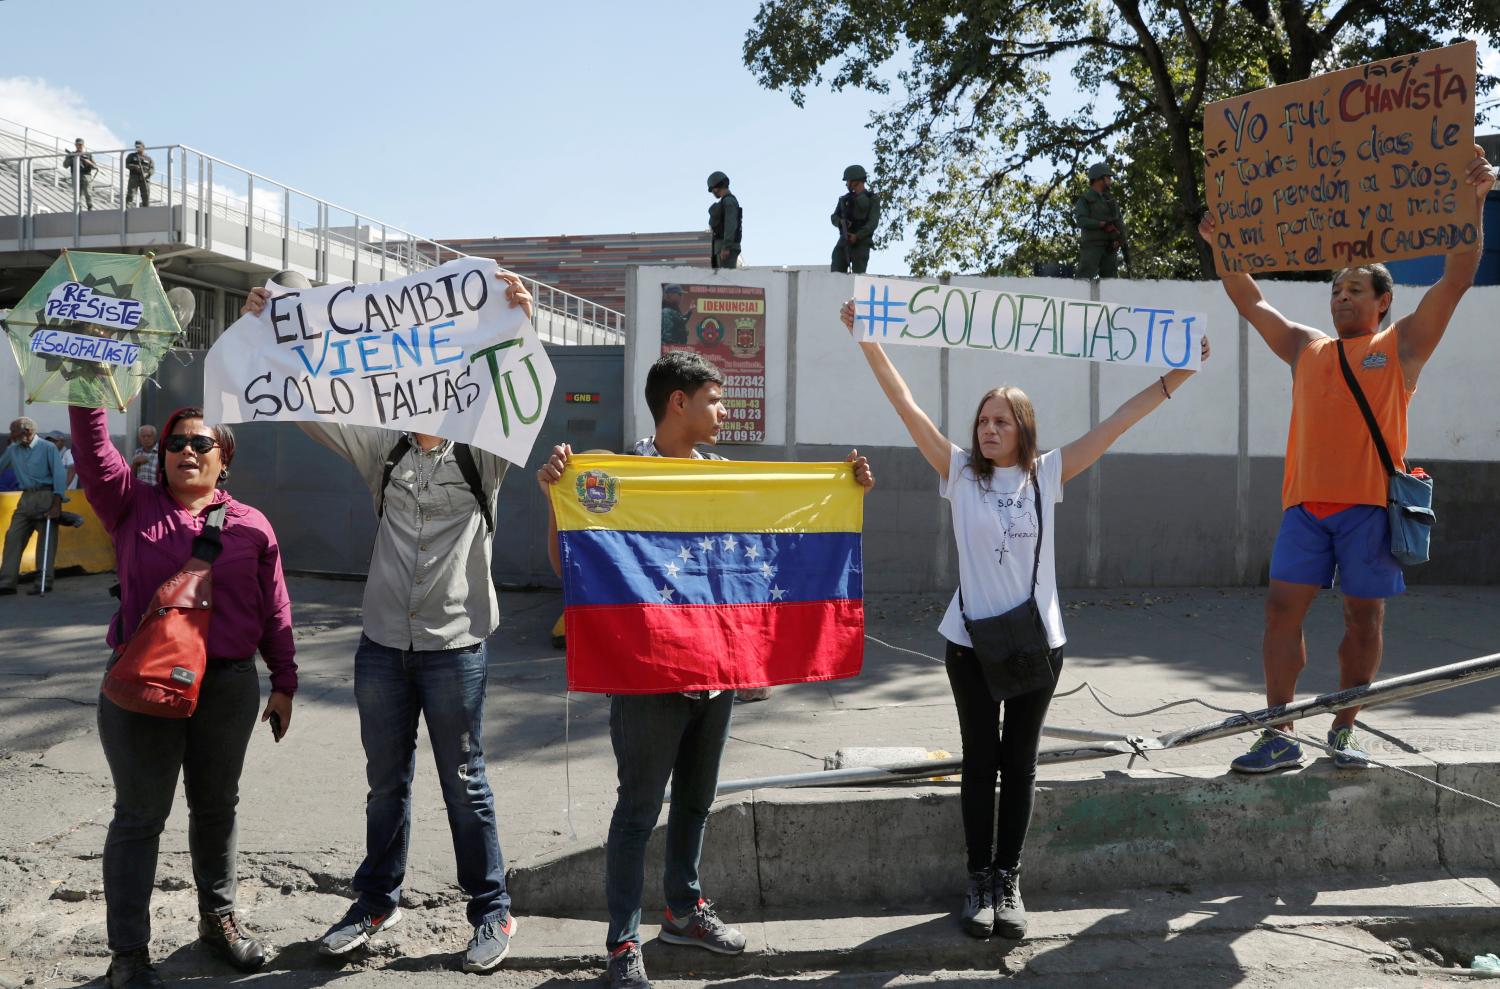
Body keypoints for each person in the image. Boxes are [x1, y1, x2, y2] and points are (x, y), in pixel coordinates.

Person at [841, 297, 1207, 940]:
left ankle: (1009, 879)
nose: (988, 429)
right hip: (971, 644)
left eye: (1001, 421)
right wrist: (868, 338)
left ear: (1023, 429)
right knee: (980, 762)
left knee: (1022, 763)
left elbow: (1120, 420)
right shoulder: (958, 472)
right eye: (983, 420)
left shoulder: (1049, 473)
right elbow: (908, 407)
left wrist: (1178, 375)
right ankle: (978, 880)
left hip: (1038, 644)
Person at [536, 351, 874, 989]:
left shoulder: (722, 475)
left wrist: (842, 486)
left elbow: (779, 527)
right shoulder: (620, 476)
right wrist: (556, 496)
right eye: (715, 401)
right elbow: (569, 566)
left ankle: (684, 912)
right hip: (648, 678)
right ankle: (621, 945)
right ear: (677, 404)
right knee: (637, 810)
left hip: (714, 677)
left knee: (695, 802)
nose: (725, 412)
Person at [240, 266, 534, 973]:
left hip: (455, 645)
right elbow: (306, 400)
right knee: (384, 782)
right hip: (381, 646)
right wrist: (265, 329)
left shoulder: (481, 455)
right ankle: (376, 899)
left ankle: (492, 909)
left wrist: (518, 322)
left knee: (464, 779)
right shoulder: (384, 448)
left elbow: (520, 398)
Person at [1200, 144, 1496, 774]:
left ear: (1382, 300)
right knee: (1281, 611)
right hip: (1305, 510)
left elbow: (1457, 279)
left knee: (1364, 620)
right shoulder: (1307, 347)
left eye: (1354, 289)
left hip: (1368, 512)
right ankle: (1277, 731)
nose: (1340, 297)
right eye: (1336, 289)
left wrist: (1473, 202)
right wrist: (1222, 245)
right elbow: (1251, 303)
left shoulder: (1403, 346)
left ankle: (1343, 728)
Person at [69, 401, 297, 989]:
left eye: (200, 443)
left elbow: (274, 609)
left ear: (224, 459)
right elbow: (95, 456)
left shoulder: (252, 524)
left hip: (226, 686)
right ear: (161, 456)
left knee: (217, 807)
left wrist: (284, 680)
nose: (186, 451)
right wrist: (89, 383)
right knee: (140, 817)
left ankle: (218, 922)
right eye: (175, 443)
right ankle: (129, 955)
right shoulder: (130, 506)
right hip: (144, 684)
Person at [0, 417, 65, 595]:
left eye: (14, 431)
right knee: (13, 536)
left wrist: (57, 503)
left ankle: (44, 581)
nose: (11, 435)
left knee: (46, 541)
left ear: (27, 432)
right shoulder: (12, 450)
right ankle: (7, 582)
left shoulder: (48, 448)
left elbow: (59, 474)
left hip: (47, 495)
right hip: (26, 497)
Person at [1074, 162, 1125, 279]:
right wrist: (1100, 224)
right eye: (1108, 177)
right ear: (1099, 179)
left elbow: (1119, 223)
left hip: (1110, 247)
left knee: (1110, 284)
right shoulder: (1085, 200)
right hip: (1092, 246)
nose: (1110, 181)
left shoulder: (1110, 201)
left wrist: (1119, 239)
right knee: (1083, 280)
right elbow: (1081, 221)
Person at [830, 165, 880, 274]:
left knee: (858, 276)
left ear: (855, 181)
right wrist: (841, 222)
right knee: (836, 263)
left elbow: (873, 223)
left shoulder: (872, 199)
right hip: (845, 239)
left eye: (848, 180)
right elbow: (834, 217)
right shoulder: (844, 199)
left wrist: (857, 236)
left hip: (861, 242)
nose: (846, 184)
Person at [706, 172, 741, 270]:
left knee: (726, 281)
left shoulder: (729, 201)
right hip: (721, 248)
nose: (712, 191)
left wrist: (726, 247)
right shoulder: (725, 202)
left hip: (725, 249)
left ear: (716, 187)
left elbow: (730, 224)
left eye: (712, 189)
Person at [64, 138, 97, 210]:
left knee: (88, 193)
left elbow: (95, 166)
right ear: (75, 145)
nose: (79, 146)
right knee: (77, 194)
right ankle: (79, 208)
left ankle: (89, 207)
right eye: (77, 145)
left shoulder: (88, 155)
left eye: (80, 145)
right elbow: (65, 165)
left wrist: (88, 162)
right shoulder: (72, 154)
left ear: (83, 145)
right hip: (75, 175)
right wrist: (70, 158)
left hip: (86, 176)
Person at [125, 141, 154, 208]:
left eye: (139, 146)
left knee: (145, 196)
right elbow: (127, 164)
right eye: (136, 147)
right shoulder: (131, 156)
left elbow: (152, 169)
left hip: (144, 179)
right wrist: (134, 167)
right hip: (134, 178)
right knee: (130, 194)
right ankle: (127, 209)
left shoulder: (149, 159)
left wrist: (147, 174)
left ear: (143, 147)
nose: (137, 148)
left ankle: (145, 209)